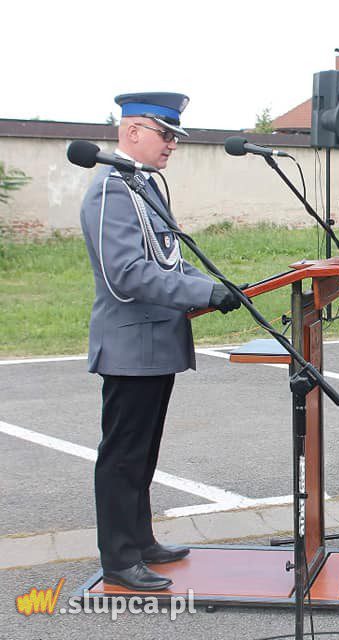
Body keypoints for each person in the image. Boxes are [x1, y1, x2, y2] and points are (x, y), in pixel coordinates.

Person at [79, 92, 241, 591]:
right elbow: (127, 273)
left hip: (154, 344)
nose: (172, 144)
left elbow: (168, 257)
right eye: (165, 134)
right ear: (132, 131)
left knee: (143, 453)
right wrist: (202, 293)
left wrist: (214, 286)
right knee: (124, 455)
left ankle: (141, 541)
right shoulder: (111, 191)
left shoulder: (142, 185)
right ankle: (119, 558)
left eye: (174, 136)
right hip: (131, 347)